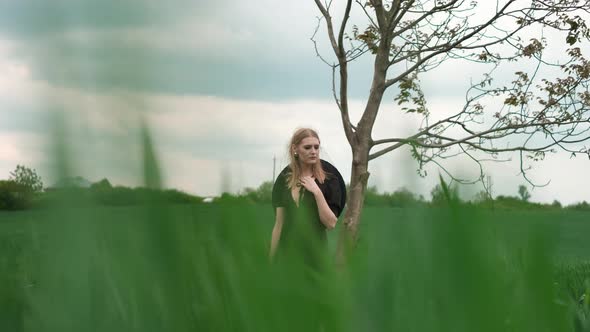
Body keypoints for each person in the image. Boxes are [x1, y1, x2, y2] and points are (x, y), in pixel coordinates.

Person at [269, 128, 346, 268]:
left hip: (315, 257)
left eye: (316, 147)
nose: (313, 151)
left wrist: (317, 192)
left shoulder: (329, 181)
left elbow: (331, 223)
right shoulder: (283, 182)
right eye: (308, 147)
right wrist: (271, 260)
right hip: (287, 256)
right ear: (295, 149)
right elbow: (279, 225)